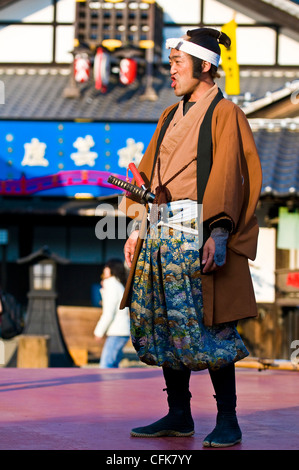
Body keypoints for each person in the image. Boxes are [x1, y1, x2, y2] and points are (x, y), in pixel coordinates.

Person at [118, 27, 262, 447]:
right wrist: (138, 227)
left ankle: (228, 417)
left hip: (198, 231)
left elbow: (230, 178)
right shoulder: (169, 113)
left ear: (204, 65)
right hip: (160, 230)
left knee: (210, 325)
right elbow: (149, 178)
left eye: (177, 64)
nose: (171, 72)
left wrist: (218, 232)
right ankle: (179, 413)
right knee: (162, 320)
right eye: (170, 64)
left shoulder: (225, 112)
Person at [94, 259, 130, 368]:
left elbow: (109, 313)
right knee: (113, 365)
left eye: (106, 267)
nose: (104, 269)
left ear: (110, 269)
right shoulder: (118, 285)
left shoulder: (111, 285)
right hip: (122, 330)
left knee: (106, 366)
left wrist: (99, 332)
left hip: (117, 332)